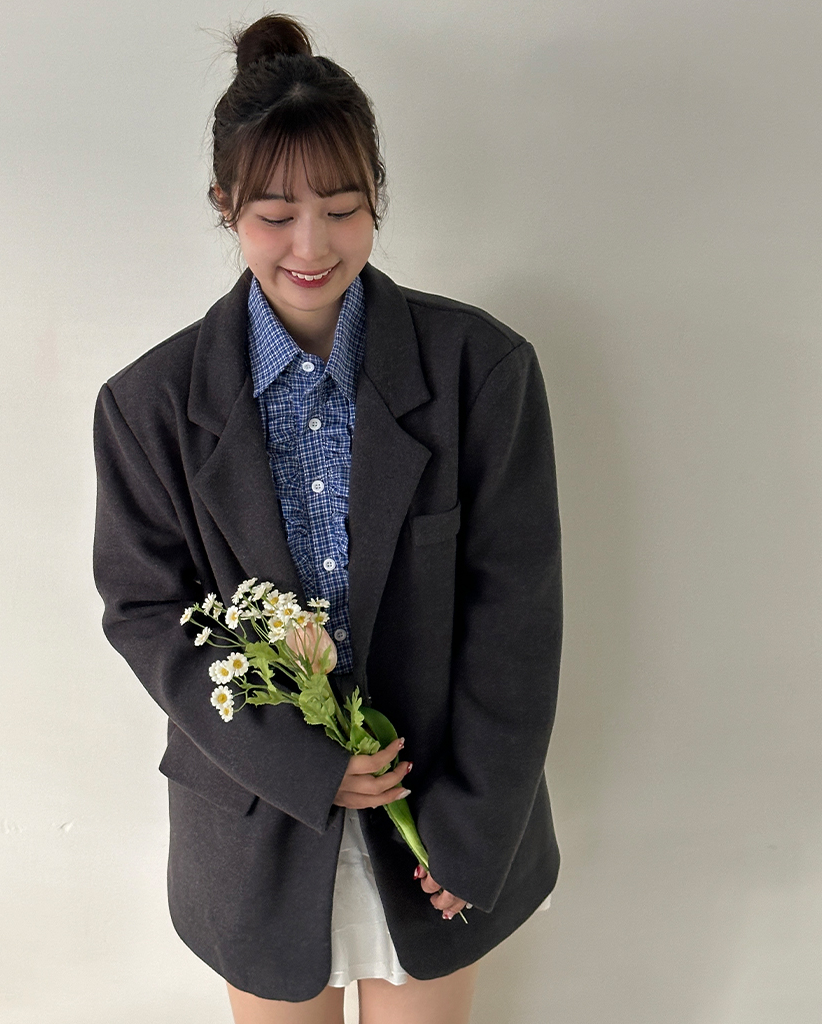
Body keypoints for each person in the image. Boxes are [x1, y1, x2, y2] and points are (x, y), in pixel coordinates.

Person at [92, 13, 562, 1024]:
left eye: (342, 209)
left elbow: (516, 619)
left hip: (439, 823)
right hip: (254, 828)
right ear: (224, 205)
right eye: (274, 215)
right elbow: (146, 611)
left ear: (376, 196)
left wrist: (472, 833)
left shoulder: (481, 371)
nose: (311, 247)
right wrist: (302, 761)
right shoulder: (147, 406)